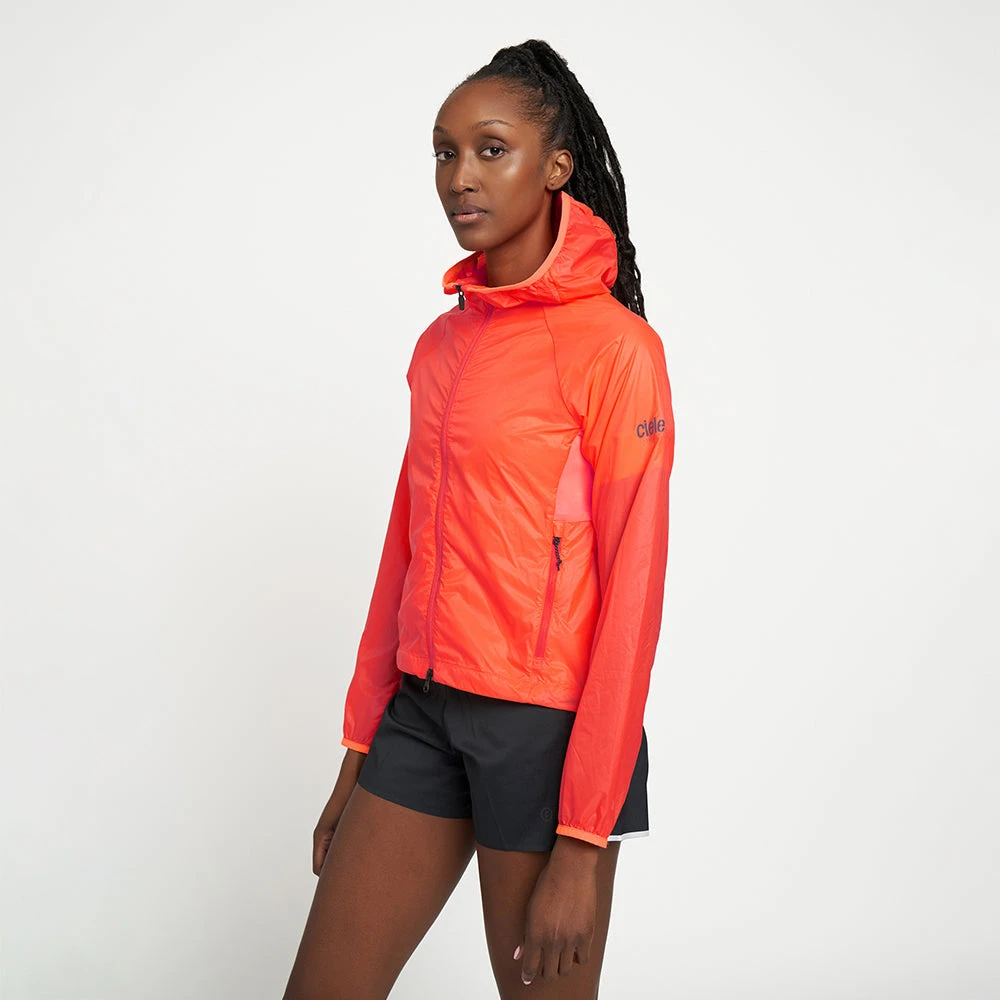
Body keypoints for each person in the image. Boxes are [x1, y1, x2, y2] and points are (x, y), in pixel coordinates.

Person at [282, 39, 675, 1000]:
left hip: (543, 735)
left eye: (491, 149)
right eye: (444, 151)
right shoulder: (440, 346)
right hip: (420, 713)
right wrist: (360, 749)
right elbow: (405, 549)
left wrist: (584, 839)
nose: (460, 176)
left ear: (557, 166)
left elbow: (633, 594)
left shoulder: (617, 351)